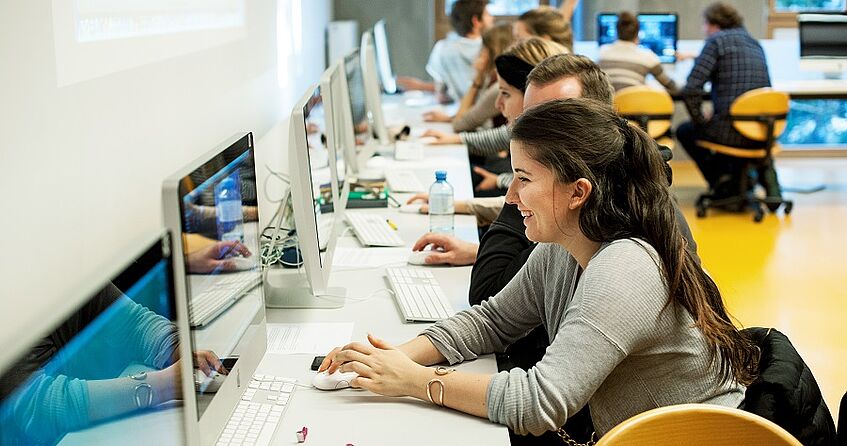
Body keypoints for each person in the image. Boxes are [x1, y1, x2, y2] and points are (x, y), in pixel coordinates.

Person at [320, 98, 757, 439]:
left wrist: (417, 381)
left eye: (524, 178)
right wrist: (393, 358)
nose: (510, 196)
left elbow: (539, 403)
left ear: (577, 192)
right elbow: (493, 320)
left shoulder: (625, 267)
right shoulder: (567, 243)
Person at [412, 54, 698, 269]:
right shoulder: (569, 219)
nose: (533, 130)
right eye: (529, 118)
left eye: (552, 117)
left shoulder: (623, 216)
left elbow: (490, 286)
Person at [676, 2, 779, 200]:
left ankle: (723, 183)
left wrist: (700, 120)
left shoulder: (716, 42)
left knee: (686, 131)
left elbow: (690, 89)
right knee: (722, 125)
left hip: (731, 131)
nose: (703, 30)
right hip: (761, 132)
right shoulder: (754, 43)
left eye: (704, 25)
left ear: (714, 24)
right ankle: (753, 181)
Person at [396, 0, 493, 103]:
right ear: (476, 21)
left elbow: (441, 95)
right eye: (487, 15)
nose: (492, 18)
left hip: (461, 112)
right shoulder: (492, 48)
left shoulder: (442, 48)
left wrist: (421, 86)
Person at [423, 24, 514, 133]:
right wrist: (449, 118)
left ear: (491, 53)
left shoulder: (499, 87)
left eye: (482, 50)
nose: (478, 55)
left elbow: (459, 124)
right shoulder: (494, 80)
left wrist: (476, 81)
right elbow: (472, 116)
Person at [597, 11, 678, 93]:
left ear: (616, 32)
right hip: (635, 104)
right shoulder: (648, 57)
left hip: (608, 104)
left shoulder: (602, 53)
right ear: (637, 34)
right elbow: (671, 86)